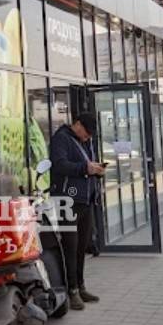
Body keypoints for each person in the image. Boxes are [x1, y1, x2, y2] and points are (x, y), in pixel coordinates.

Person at [49, 112, 103, 310]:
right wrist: (85, 169)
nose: (88, 137)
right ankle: (71, 290)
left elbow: (87, 164)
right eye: (86, 133)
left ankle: (80, 286)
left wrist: (96, 171)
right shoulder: (61, 139)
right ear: (77, 125)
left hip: (85, 200)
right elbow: (59, 165)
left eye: (90, 135)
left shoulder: (85, 141)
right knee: (70, 248)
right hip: (67, 201)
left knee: (81, 247)